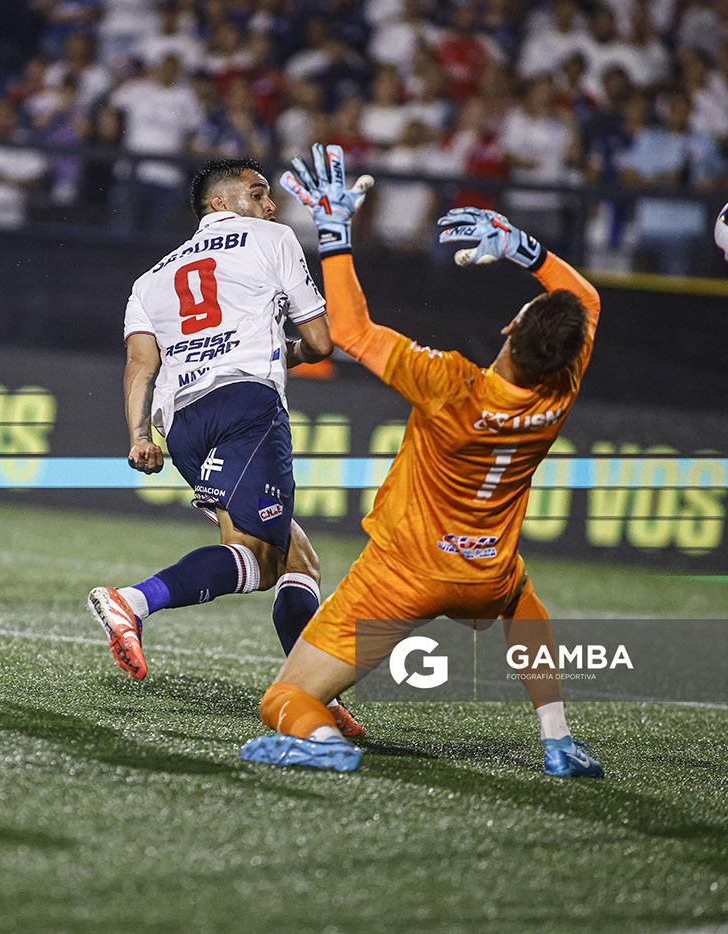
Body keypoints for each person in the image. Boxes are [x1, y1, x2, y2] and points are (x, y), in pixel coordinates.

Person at [238, 144, 604, 779]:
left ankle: (322, 742)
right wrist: (530, 252)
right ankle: (558, 740)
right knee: (519, 596)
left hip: (403, 576)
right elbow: (586, 301)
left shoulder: (453, 384)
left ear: (508, 332)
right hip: (484, 569)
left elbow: (351, 332)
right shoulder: (562, 386)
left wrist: (333, 231)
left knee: (284, 699)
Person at [84, 157, 364, 739]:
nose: (269, 204)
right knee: (259, 561)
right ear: (219, 202)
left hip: (184, 426)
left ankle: (311, 693)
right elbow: (320, 341)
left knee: (298, 559)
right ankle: (132, 602)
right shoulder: (273, 238)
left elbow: (141, 364)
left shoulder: (150, 278)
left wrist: (140, 436)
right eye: (258, 192)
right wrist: (293, 349)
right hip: (248, 408)